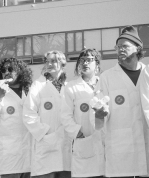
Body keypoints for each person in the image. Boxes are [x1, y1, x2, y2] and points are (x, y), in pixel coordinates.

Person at [95, 25, 148, 177]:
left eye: (125, 46)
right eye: (118, 47)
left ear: (138, 48)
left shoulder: (147, 74)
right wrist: (99, 114)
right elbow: (98, 121)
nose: (120, 50)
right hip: (121, 152)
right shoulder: (107, 77)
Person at [23, 50, 71, 178]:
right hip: (45, 142)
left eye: (53, 61)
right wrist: (45, 132)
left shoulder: (68, 86)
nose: (49, 64)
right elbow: (28, 113)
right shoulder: (37, 85)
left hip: (66, 143)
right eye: (47, 61)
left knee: (65, 171)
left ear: (62, 63)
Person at [0, 58, 33, 178]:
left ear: (20, 71)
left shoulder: (30, 91)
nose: (6, 72)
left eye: (10, 69)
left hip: (31, 157)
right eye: (3, 70)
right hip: (10, 157)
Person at [60, 48, 105, 178]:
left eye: (89, 60)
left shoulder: (104, 84)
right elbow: (65, 115)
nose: (85, 63)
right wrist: (77, 132)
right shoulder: (72, 86)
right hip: (83, 141)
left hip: (104, 140)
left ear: (97, 64)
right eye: (82, 60)